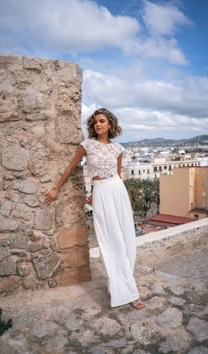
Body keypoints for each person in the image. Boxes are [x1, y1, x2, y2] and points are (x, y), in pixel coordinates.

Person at [44, 108, 144, 309]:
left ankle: (125, 285)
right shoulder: (87, 146)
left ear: (110, 124)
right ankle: (128, 291)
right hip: (102, 194)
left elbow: (116, 173)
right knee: (111, 241)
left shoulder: (118, 149)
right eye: (95, 122)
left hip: (118, 191)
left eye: (101, 121)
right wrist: (56, 188)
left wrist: (93, 192)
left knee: (126, 239)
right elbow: (71, 167)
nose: (97, 124)